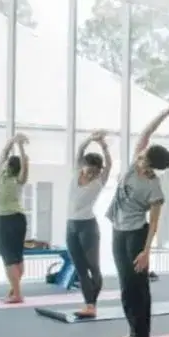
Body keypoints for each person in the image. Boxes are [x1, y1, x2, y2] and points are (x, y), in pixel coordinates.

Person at [106, 105, 169, 337]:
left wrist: (146, 251)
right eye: (140, 156)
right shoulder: (132, 166)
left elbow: (154, 222)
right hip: (118, 230)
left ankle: (141, 334)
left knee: (136, 285)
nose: (138, 159)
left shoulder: (153, 187)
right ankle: (132, 330)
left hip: (136, 235)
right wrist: (164, 114)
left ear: (151, 165)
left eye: (143, 159)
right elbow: (145, 134)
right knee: (124, 283)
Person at [67, 131, 112, 318]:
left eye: (95, 171)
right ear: (83, 166)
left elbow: (109, 164)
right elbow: (80, 150)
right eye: (89, 170)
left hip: (88, 227)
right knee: (80, 268)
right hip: (71, 226)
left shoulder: (99, 181)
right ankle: (89, 305)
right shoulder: (76, 171)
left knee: (93, 267)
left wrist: (104, 146)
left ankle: (91, 305)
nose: (91, 174)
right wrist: (91, 139)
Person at [0, 133, 30, 304]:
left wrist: (13, 141)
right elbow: (25, 166)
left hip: (2, 220)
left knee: (9, 259)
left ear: (7, 165)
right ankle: (14, 290)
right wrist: (21, 147)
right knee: (17, 256)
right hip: (18, 219)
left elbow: (3, 154)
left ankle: (17, 294)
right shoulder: (18, 180)